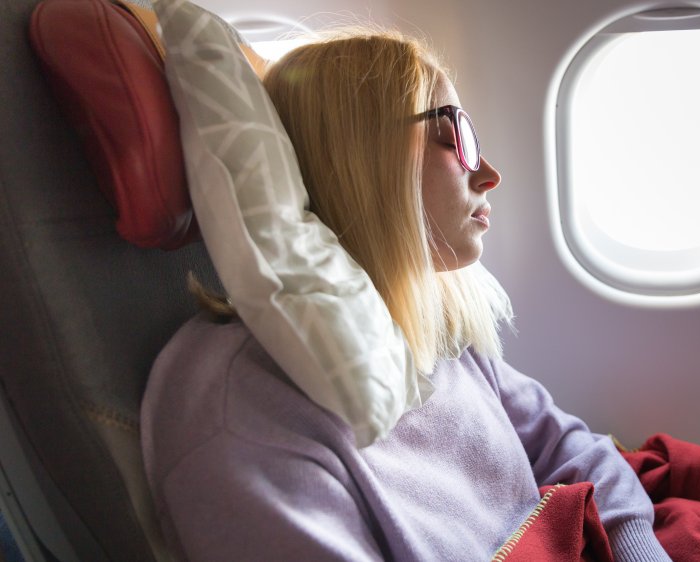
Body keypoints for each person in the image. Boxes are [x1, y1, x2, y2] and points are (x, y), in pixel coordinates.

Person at [141, 28, 671, 561]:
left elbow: (573, 448)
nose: (488, 174)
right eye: (455, 134)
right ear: (361, 152)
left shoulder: (432, 330)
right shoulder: (243, 412)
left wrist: (635, 549)